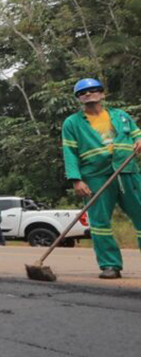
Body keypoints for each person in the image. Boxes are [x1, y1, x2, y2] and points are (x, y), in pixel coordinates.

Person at [61, 78, 141, 279]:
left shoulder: (121, 116)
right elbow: (69, 152)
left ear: (102, 94)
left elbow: (136, 134)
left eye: (94, 90)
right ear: (78, 98)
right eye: (83, 92)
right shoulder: (72, 123)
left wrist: (139, 141)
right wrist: (76, 179)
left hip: (128, 172)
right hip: (95, 177)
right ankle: (110, 265)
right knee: (99, 223)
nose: (89, 94)